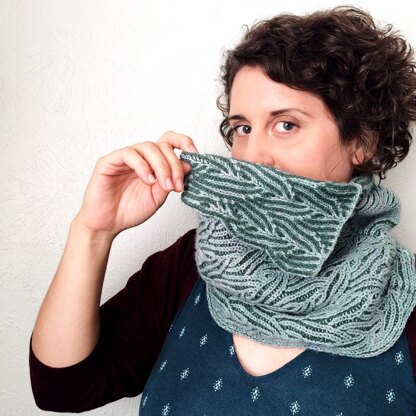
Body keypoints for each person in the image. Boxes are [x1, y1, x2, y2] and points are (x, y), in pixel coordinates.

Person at [30, 5, 416, 414]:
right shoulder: (193, 261)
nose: (254, 156)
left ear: (362, 140)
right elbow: (63, 390)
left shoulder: (404, 302)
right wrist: (93, 231)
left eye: (286, 124)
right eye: (242, 128)